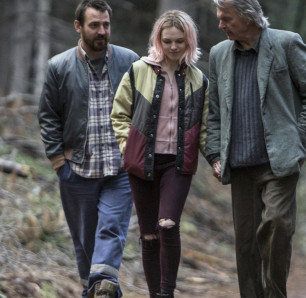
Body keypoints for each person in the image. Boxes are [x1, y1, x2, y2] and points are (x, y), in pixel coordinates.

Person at [205, 0, 306, 297]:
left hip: (279, 162)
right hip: (239, 163)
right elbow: (214, 113)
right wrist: (213, 153)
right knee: (246, 242)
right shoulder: (219, 54)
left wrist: (297, 139)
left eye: (226, 19)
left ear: (249, 18)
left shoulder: (287, 43)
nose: (220, 25)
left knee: (276, 226)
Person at [37, 0, 139, 297]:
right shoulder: (59, 66)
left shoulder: (129, 60)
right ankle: (95, 290)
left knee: (111, 230)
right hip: (77, 169)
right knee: (85, 243)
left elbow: (144, 109)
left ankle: (103, 290)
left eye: (106, 25)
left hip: (119, 169)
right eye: (94, 25)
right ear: (78, 26)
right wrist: (59, 162)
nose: (102, 31)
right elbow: (48, 115)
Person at [111, 10, 209, 298]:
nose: (174, 47)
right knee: (149, 236)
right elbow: (119, 115)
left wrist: (213, 158)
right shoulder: (138, 70)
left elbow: (204, 127)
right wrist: (127, 147)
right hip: (142, 163)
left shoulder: (199, 80)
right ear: (158, 40)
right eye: (168, 41)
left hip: (177, 164)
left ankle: (167, 292)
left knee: (167, 224)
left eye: (180, 41)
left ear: (189, 41)